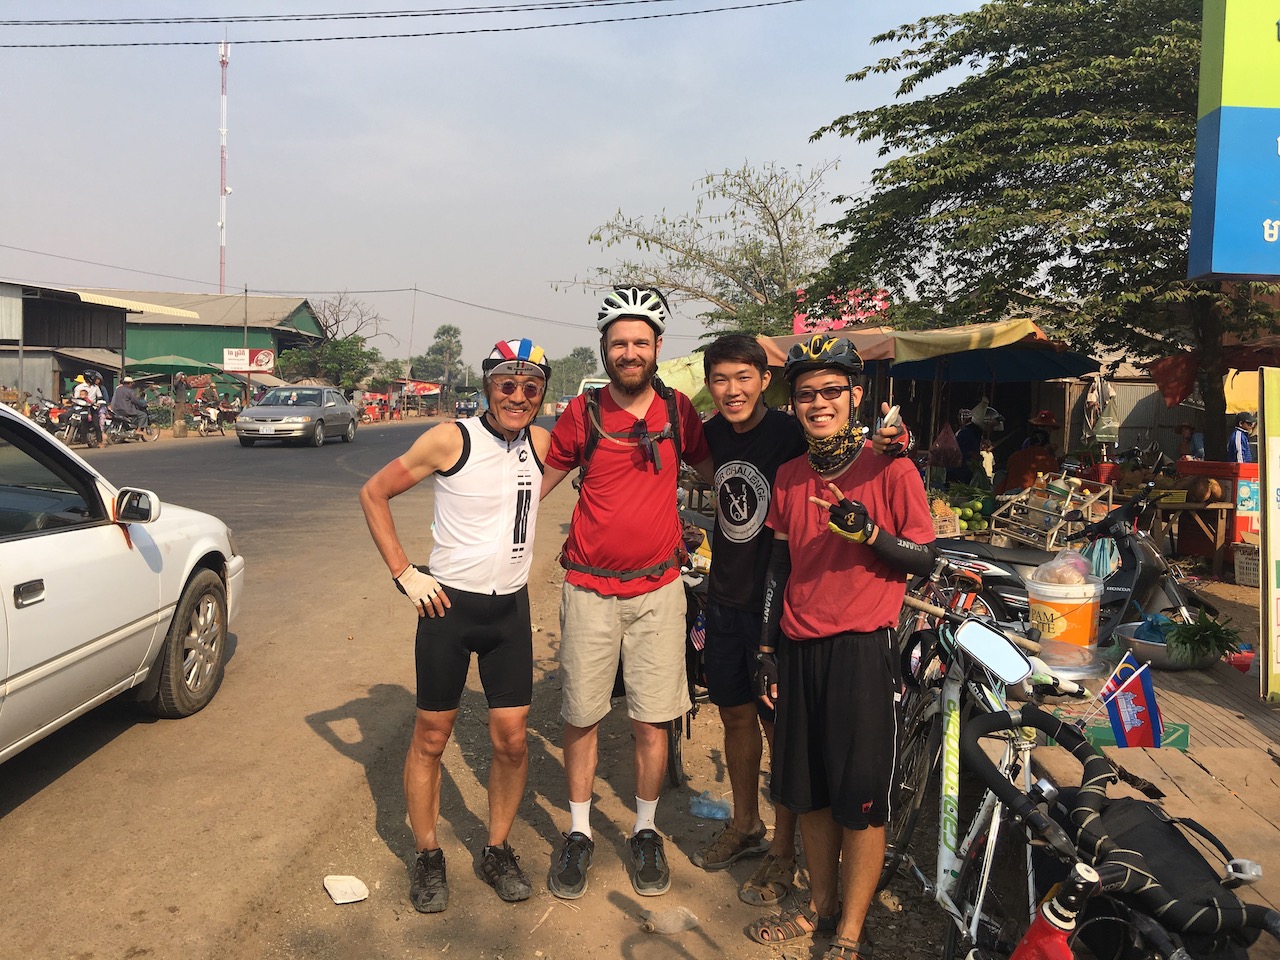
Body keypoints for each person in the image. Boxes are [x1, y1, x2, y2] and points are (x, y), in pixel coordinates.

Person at [748, 334, 936, 960]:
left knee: (860, 797)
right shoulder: (790, 475)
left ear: (857, 396)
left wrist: (871, 532)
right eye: (806, 394)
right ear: (794, 404)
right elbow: (777, 569)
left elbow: (925, 558)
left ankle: (851, 933)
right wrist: (767, 648)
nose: (819, 403)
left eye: (832, 391)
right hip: (799, 649)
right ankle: (820, 908)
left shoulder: (892, 468)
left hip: (862, 651)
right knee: (808, 793)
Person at [359, 338, 553, 915]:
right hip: (448, 609)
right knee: (432, 737)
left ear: (542, 394)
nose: (518, 397)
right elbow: (374, 492)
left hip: (509, 612)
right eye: (507, 385)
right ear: (489, 386)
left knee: (513, 740)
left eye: (530, 388)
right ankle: (427, 855)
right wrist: (404, 573)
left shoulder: (543, 444)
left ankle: (496, 848)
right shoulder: (452, 438)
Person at [540, 286, 713, 901]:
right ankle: (581, 830)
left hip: (660, 589)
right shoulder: (582, 414)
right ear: (605, 350)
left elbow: (718, 471)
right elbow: (535, 484)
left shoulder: (678, 412)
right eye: (620, 343)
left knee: (650, 717)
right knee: (582, 713)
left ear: (658, 348)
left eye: (641, 342)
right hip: (589, 588)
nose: (630, 352)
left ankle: (644, 829)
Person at [996, 428, 1059, 493]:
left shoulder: (1015, 456)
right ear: (1047, 444)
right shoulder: (1051, 461)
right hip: (1035, 496)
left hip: (1010, 494)